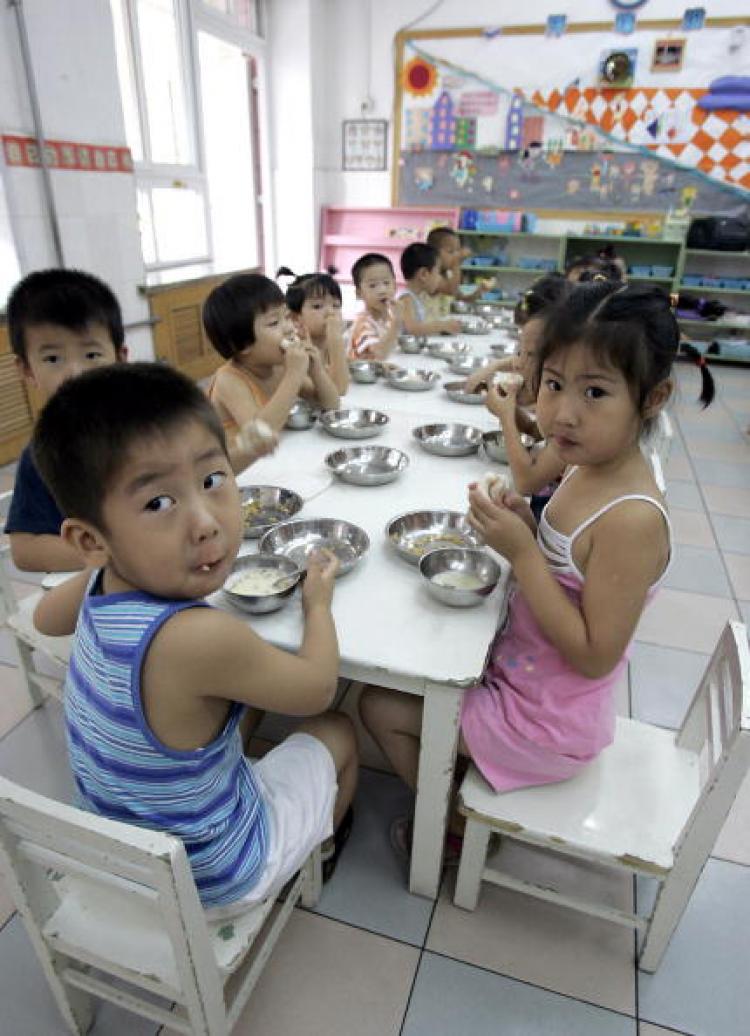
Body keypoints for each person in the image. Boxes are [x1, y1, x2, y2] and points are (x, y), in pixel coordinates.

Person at [360, 283, 715, 852]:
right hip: (525, 678)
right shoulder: (587, 463)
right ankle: (460, 788)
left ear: (652, 399)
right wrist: (524, 521)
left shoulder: (631, 519)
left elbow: (596, 654)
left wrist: (523, 553)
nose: (562, 413)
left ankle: (452, 825)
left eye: (595, 392)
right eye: (552, 385)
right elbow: (565, 562)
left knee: (378, 705)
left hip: (550, 723)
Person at [32, 362, 358, 913]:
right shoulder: (198, 637)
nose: (206, 521)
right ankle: (312, 857)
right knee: (338, 730)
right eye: (159, 503)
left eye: (212, 479)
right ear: (90, 538)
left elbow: (44, 618)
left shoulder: (97, 581)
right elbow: (319, 687)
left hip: (121, 844)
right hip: (211, 877)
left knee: (238, 720)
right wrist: (318, 605)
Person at [4, 268, 127, 573]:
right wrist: (120, 556)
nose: (75, 372)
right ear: (27, 370)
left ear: (120, 357)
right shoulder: (43, 453)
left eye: (92, 354)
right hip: (99, 587)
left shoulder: (155, 428)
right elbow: (25, 550)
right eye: (53, 359)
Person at [203, 272, 340, 438]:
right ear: (243, 344)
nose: (290, 328)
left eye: (286, 317)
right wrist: (294, 375)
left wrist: (316, 371)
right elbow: (260, 435)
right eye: (274, 323)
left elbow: (331, 405)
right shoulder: (228, 380)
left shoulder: (278, 367)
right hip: (234, 463)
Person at [279, 267, 350, 394]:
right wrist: (335, 339)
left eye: (336, 305)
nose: (330, 312)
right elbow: (338, 390)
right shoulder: (297, 349)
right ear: (295, 317)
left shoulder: (327, 342)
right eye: (317, 306)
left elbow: (343, 364)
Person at [398, 242, 462, 336]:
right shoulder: (406, 298)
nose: (440, 278)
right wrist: (441, 325)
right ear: (423, 274)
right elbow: (412, 329)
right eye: (438, 272)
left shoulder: (418, 296)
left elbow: (422, 326)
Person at [347, 253, 401, 360]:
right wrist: (397, 323)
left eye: (386, 283)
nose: (382, 291)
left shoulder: (389, 316)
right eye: (372, 285)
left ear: (395, 286)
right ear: (359, 293)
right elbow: (379, 354)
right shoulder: (362, 324)